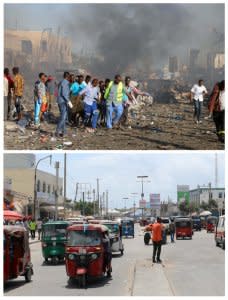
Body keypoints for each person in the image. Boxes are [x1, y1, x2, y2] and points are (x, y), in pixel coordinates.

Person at [56, 71, 72, 137]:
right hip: (63, 102)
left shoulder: (61, 82)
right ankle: (57, 131)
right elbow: (64, 94)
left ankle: (64, 132)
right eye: (70, 76)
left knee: (63, 117)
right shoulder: (65, 83)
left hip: (60, 101)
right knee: (63, 118)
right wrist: (68, 101)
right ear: (67, 76)